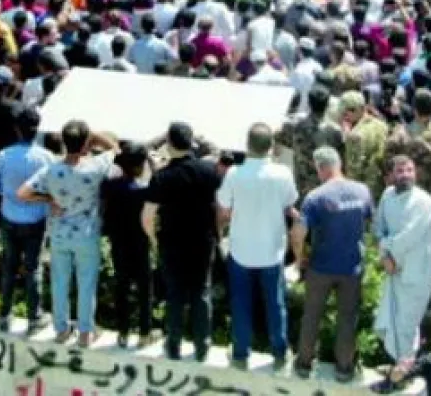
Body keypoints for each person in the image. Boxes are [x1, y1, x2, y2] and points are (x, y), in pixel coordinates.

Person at [19, 119, 119, 348]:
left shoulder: (51, 169)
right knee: (86, 284)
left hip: (59, 233)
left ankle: (62, 329)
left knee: (59, 282)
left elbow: (23, 193)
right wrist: (94, 134)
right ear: (85, 144)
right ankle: (85, 332)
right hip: (86, 233)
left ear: (63, 141)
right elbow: (116, 149)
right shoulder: (95, 166)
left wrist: (48, 199)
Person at [218, 122, 298, 370]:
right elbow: (290, 204)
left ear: (247, 144)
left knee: (241, 303)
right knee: (275, 303)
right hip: (272, 250)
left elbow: (224, 208)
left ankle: (240, 354)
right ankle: (280, 352)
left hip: (241, 249)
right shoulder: (283, 173)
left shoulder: (233, 174)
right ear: (271, 146)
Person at [291, 146, 373, 382]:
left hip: (321, 267)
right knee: (347, 318)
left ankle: (304, 364)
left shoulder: (315, 197)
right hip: (351, 267)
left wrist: (299, 258)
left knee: (312, 315)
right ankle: (344, 368)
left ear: (321, 168)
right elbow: (369, 221)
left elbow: (298, 233)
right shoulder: (363, 191)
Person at [143, 120, 223, 362]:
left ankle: (174, 344)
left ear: (169, 144)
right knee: (201, 292)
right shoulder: (209, 171)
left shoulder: (162, 176)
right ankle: (202, 344)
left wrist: (154, 240)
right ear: (192, 143)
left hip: (172, 243)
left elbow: (147, 216)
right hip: (202, 240)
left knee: (175, 294)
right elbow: (220, 208)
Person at [0, 104, 56, 334]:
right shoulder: (47, 157)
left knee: (8, 266)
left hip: (9, 217)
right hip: (36, 221)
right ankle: (34, 318)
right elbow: (53, 191)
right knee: (32, 268)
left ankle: (4, 315)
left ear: (17, 129)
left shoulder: (4, 155)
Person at [373, 155, 431, 366]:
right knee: (390, 322)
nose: (405, 175)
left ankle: (402, 372)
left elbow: (408, 237)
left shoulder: (424, 202)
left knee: (406, 327)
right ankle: (398, 368)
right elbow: (377, 227)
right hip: (393, 269)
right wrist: (385, 257)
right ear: (391, 175)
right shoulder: (387, 195)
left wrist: (387, 251)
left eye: (410, 170)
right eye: (400, 171)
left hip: (416, 273)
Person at [103, 141, 153, 348]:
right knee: (144, 287)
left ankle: (123, 331)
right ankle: (144, 331)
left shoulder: (109, 186)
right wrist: (153, 162)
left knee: (122, 285)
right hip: (140, 242)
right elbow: (157, 184)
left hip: (118, 241)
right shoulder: (143, 190)